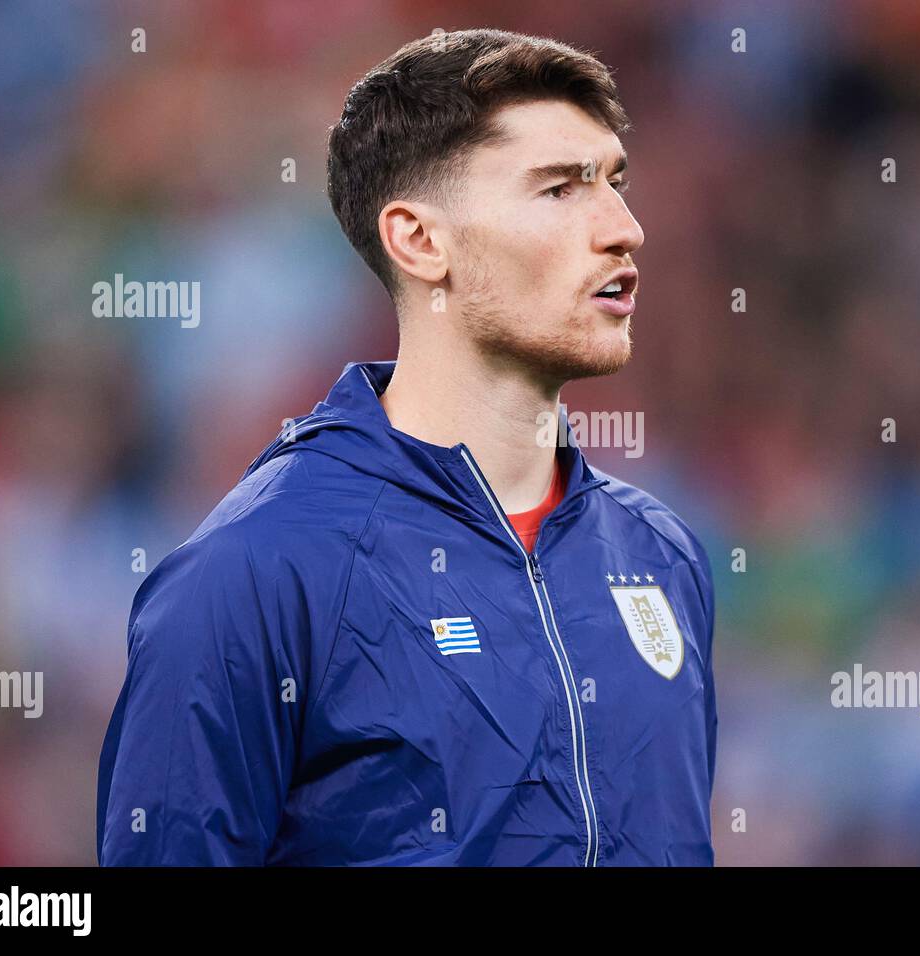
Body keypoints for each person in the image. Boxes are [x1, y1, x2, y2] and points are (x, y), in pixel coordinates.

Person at [97, 28, 717, 866]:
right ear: (420, 241)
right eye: (561, 190)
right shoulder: (255, 571)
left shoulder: (661, 554)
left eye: (615, 181)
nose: (623, 228)